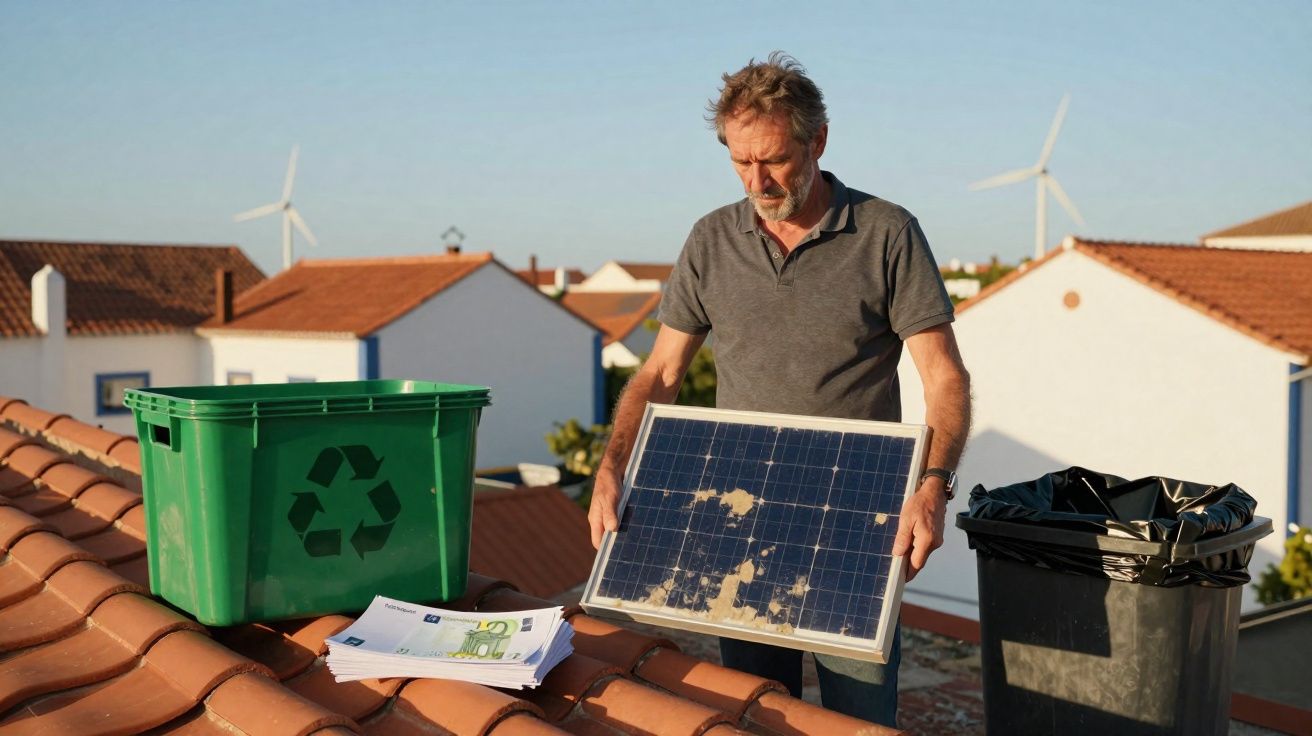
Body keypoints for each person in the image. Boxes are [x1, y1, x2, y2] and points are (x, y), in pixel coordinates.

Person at [587, 52, 971, 728]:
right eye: (740, 163)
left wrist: (933, 485)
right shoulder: (711, 239)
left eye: (774, 160)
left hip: (860, 526)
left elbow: (944, 377)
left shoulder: (887, 234)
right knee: (757, 713)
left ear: (818, 140)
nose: (758, 182)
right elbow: (659, 374)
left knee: (859, 719)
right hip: (741, 518)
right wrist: (612, 465)